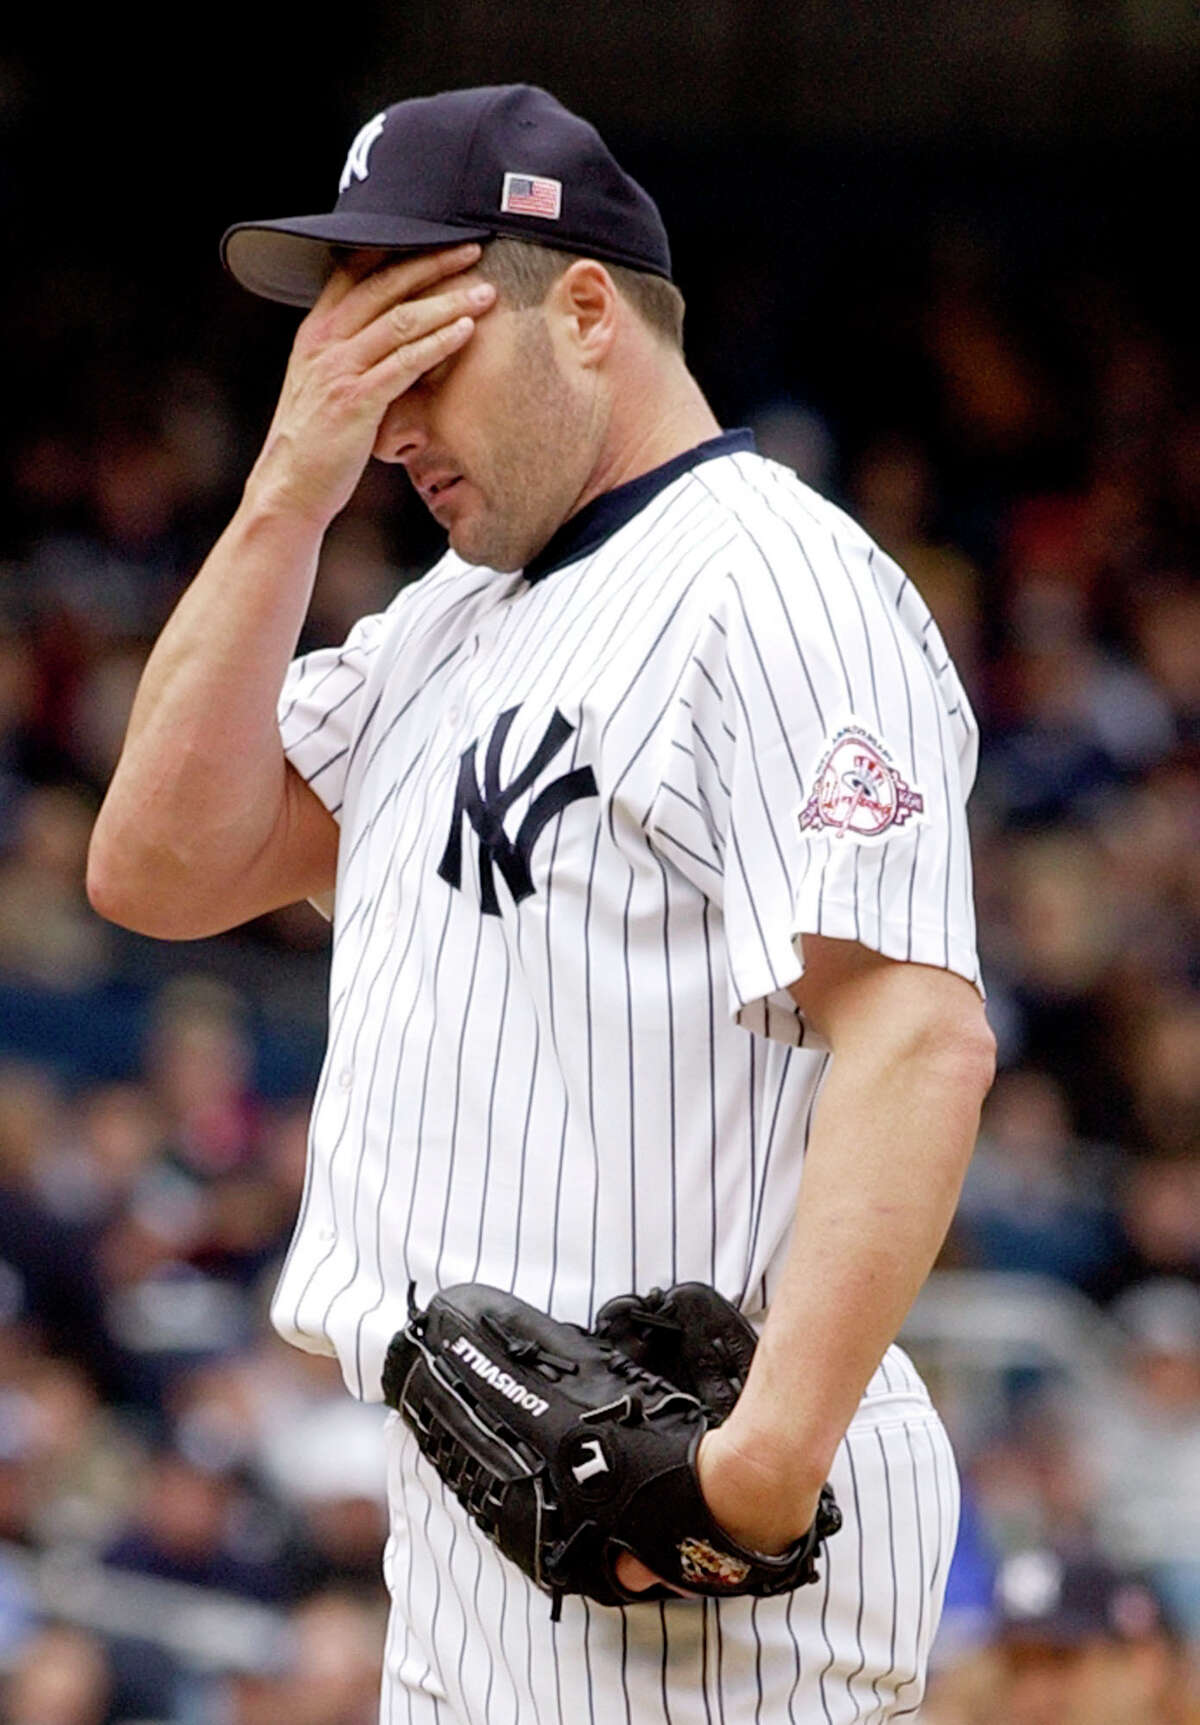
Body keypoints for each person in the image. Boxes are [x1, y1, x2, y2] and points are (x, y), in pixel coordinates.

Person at [88, 84, 995, 1724]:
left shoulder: (772, 581)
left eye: (416, 351)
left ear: (583, 308)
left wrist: (759, 1476)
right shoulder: (451, 615)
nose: (382, 419)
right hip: (477, 1518)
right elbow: (159, 863)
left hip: (686, 1552)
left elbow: (919, 1035)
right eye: (347, 363)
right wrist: (284, 496)